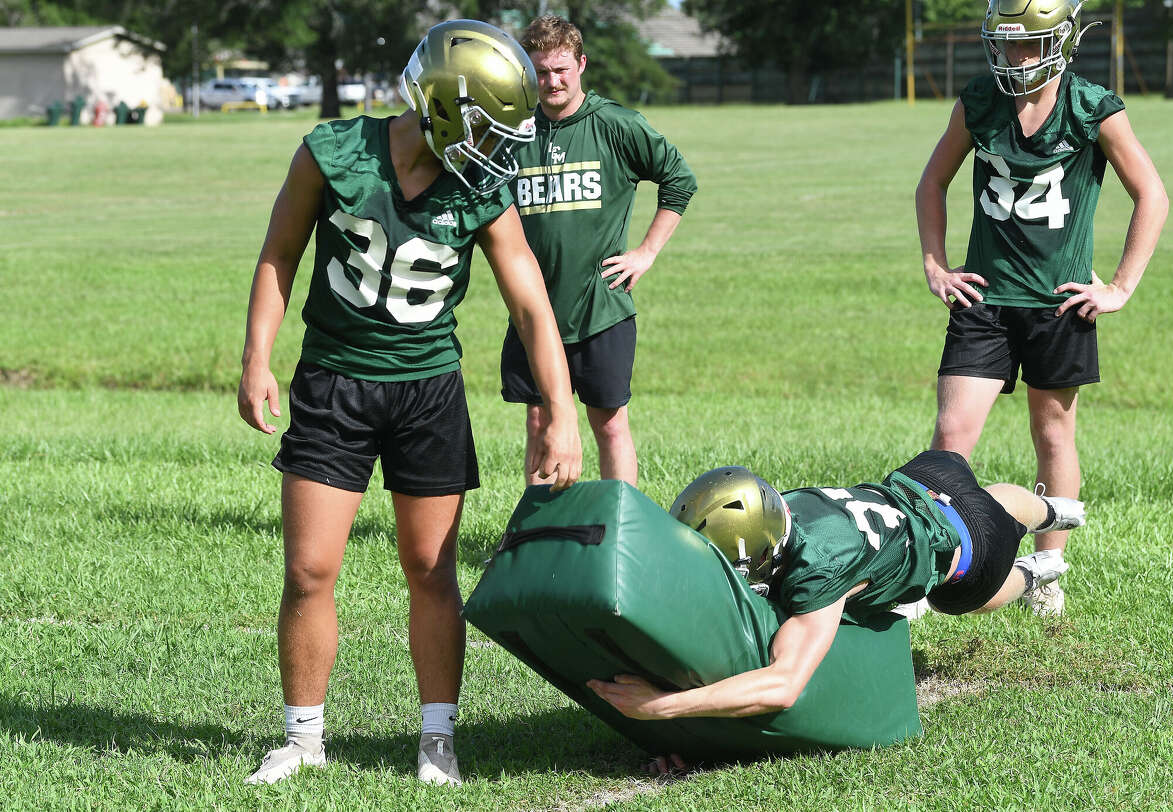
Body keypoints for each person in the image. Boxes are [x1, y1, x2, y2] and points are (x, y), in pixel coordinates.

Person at [237, 20, 582, 787]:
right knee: (309, 569)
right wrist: (257, 357)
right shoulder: (331, 153)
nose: (498, 148)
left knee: (431, 568)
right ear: (447, 108)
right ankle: (302, 740)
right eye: (490, 127)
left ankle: (436, 739)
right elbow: (279, 254)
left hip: (428, 391)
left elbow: (530, 303)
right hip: (333, 383)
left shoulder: (481, 186)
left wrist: (560, 409)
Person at [587, 450, 1083, 771]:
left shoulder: (818, 572)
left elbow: (783, 686)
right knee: (987, 500)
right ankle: (1057, 511)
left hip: (964, 547)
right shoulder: (784, 507)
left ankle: (1037, 571)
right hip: (926, 475)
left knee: (958, 593)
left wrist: (663, 706)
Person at [914, 0, 1168, 615]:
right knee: (950, 437)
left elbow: (1151, 195)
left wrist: (1121, 288)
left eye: (1030, 45)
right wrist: (934, 263)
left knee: (1052, 431)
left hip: (1059, 303)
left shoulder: (1093, 108)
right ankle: (926, 568)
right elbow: (932, 183)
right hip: (985, 300)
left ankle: (1047, 570)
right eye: (1007, 43)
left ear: (1061, 41)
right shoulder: (977, 102)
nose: (1017, 56)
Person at [500, 14, 698, 487]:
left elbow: (679, 181)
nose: (553, 80)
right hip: (533, 307)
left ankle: (618, 527)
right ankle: (541, 528)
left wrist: (646, 252)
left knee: (608, 423)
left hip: (600, 305)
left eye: (562, 69)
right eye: (542, 71)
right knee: (539, 421)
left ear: (581, 64)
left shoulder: (616, 124)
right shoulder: (512, 132)